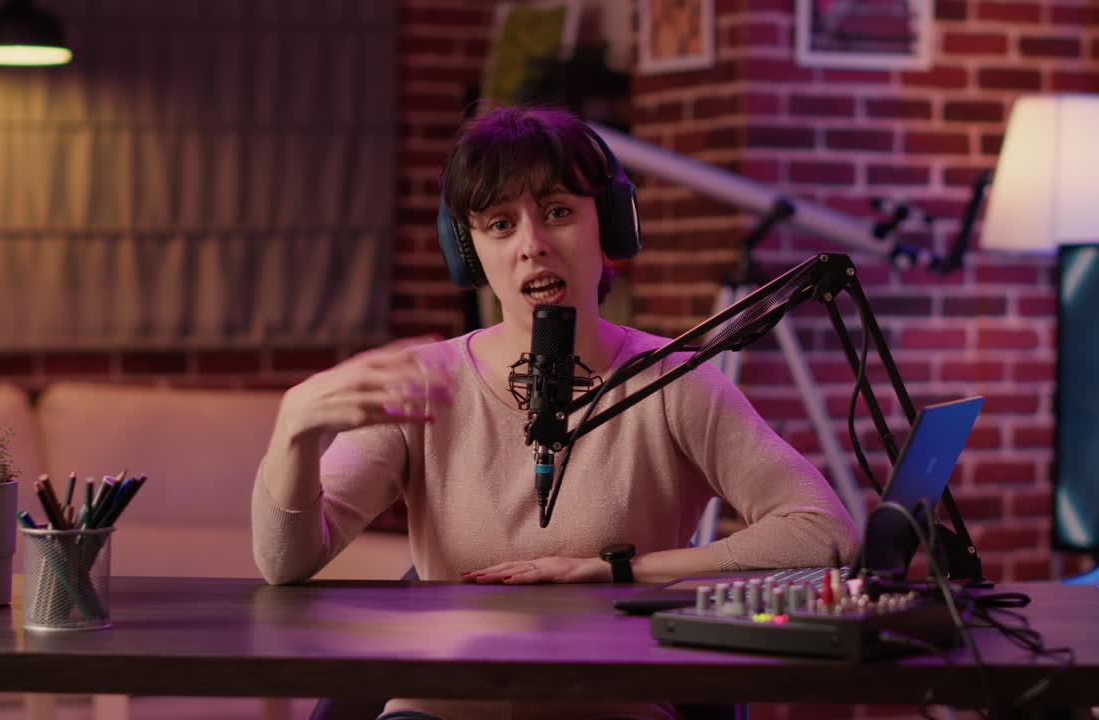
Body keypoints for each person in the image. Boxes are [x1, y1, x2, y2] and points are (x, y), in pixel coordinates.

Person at [253, 106, 859, 720]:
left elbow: (825, 532)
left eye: (558, 212)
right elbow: (286, 562)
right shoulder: (421, 383)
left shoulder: (674, 380)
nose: (532, 245)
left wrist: (620, 571)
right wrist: (294, 430)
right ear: (469, 251)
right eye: (500, 224)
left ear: (611, 226)